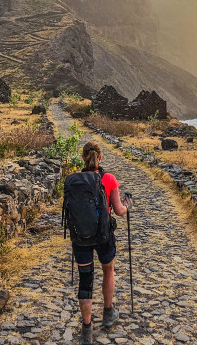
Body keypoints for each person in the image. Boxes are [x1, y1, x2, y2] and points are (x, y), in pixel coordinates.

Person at [73, 141, 131, 345]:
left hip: (80, 237)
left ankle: (87, 328)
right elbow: (118, 210)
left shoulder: (74, 180)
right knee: (108, 270)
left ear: (83, 158)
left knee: (85, 279)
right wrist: (127, 204)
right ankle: (108, 313)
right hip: (104, 235)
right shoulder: (108, 178)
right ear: (101, 157)